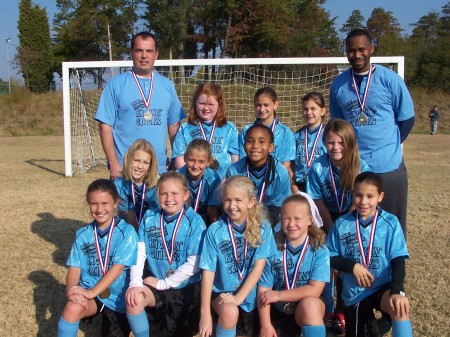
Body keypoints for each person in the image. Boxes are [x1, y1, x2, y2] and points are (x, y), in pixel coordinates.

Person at [329, 28, 415, 235]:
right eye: (351, 50)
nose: (357, 55)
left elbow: (407, 120)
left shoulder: (390, 79)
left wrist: (388, 145)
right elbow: (339, 127)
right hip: (355, 168)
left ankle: (395, 267)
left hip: (389, 166)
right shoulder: (339, 85)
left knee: (392, 226)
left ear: (371, 49)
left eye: (361, 49)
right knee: (359, 228)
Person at [326, 172, 413, 337]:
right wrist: (353, 266)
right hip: (355, 293)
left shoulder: (390, 222)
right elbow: (329, 256)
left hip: (382, 286)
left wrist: (397, 290)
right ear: (353, 194)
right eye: (358, 195)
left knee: (399, 308)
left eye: (370, 196)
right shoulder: (342, 224)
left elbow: (398, 259)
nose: (363, 201)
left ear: (380, 197)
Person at [307, 118, 369, 334]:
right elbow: (317, 200)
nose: (335, 148)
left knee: (346, 263)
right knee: (325, 263)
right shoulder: (318, 166)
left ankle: (343, 311)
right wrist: (331, 227)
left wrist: (342, 228)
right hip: (326, 218)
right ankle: (326, 310)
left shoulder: (361, 166)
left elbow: (360, 199)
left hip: (352, 217)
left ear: (349, 142)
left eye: (341, 143)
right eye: (331, 143)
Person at [125, 171, 206, 337]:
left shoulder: (195, 221)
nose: (169, 199)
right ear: (157, 195)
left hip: (185, 288)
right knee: (134, 300)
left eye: (175, 194)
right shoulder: (150, 217)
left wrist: (165, 283)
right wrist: (135, 282)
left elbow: (194, 263)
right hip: (156, 283)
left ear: (186, 195)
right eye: (164, 194)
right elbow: (139, 253)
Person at [95, 31, 185, 178]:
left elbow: (174, 126)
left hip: (158, 170)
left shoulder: (167, 85)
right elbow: (104, 126)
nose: (144, 56)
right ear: (132, 53)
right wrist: (113, 163)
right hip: (125, 170)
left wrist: (176, 158)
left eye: (149, 51)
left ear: (156, 54)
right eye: (139, 50)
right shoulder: (116, 84)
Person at [57, 179, 138, 337]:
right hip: (91, 293)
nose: (99, 209)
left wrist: (92, 292)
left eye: (105, 203)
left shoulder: (127, 232)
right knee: (71, 308)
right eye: (94, 203)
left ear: (115, 203)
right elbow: (74, 268)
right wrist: (72, 292)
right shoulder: (82, 235)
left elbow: (118, 268)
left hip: (118, 298)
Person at [198, 176, 276, 337]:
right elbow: (208, 271)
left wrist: (239, 298)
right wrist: (204, 313)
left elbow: (259, 266)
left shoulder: (264, 228)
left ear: (251, 201)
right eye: (227, 200)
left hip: (251, 296)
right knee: (229, 311)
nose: (232, 206)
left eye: (238, 200)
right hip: (223, 295)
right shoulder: (214, 231)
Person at [258, 194, 329, 337]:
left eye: (297, 219)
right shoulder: (271, 248)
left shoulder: (319, 250)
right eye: (286, 218)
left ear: (310, 220)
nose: (291, 224)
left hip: (305, 308)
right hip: (277, 309)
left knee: (311, 305)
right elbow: (263, 291)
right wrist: (265, 325)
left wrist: (278, 295)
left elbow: (314, 290)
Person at [226, 124, 291, 228]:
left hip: (270, 227)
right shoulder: (234, 171)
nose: (255, 146)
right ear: (244, 146)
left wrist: (260, 229)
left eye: (261, 142)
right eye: (250, 141)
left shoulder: (280, 174)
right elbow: (230, 204)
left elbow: (277, 210)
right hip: (239, 223)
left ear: (271, 147)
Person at [172, 82, 239, 178]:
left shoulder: (229, 129)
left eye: (211, 104)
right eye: (202, 103)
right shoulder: (185, 129)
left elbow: (235, 159)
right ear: (195, 102)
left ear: (219, 104)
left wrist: (231, 180)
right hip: (194, 183)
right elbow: (179, 160)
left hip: (223, 184)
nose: (206, 108)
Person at [239, 87, 295, 180]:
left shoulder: (285, 132)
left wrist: (273, 181)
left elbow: (286, 164)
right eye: (258, 105)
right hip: (250, 180)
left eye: (266, 105)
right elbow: (243, 159)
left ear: (275, 105)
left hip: (275, 182)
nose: (262, 109)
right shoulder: (247, 130)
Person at [114, 139, 159, 230]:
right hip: (128, 229)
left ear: (150, 166)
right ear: (129, 159)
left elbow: (154, 216)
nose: (140, 166)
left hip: (151, 230)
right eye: (137, 160)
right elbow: (127, 214)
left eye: (145, 162)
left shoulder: (156, 185)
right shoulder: (119, 184)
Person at [177, 139, 221, 226]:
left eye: (201, 161)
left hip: (205, 221)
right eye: (191, 160)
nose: (195, 166)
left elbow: (212, 210)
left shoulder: (213, 178)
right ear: (185, 158)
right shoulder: (176, 177)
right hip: (181, 221)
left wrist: (214, 232)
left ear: (208, 161)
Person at [292, 92, 328, 193]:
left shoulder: (329, 134)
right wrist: (295, 189)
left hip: (323, 185)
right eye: (305, 109)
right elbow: (290, 165)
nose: (308, 112)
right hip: (300, 186)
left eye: (313, 109)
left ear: (322, 111)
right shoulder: (296, 136)